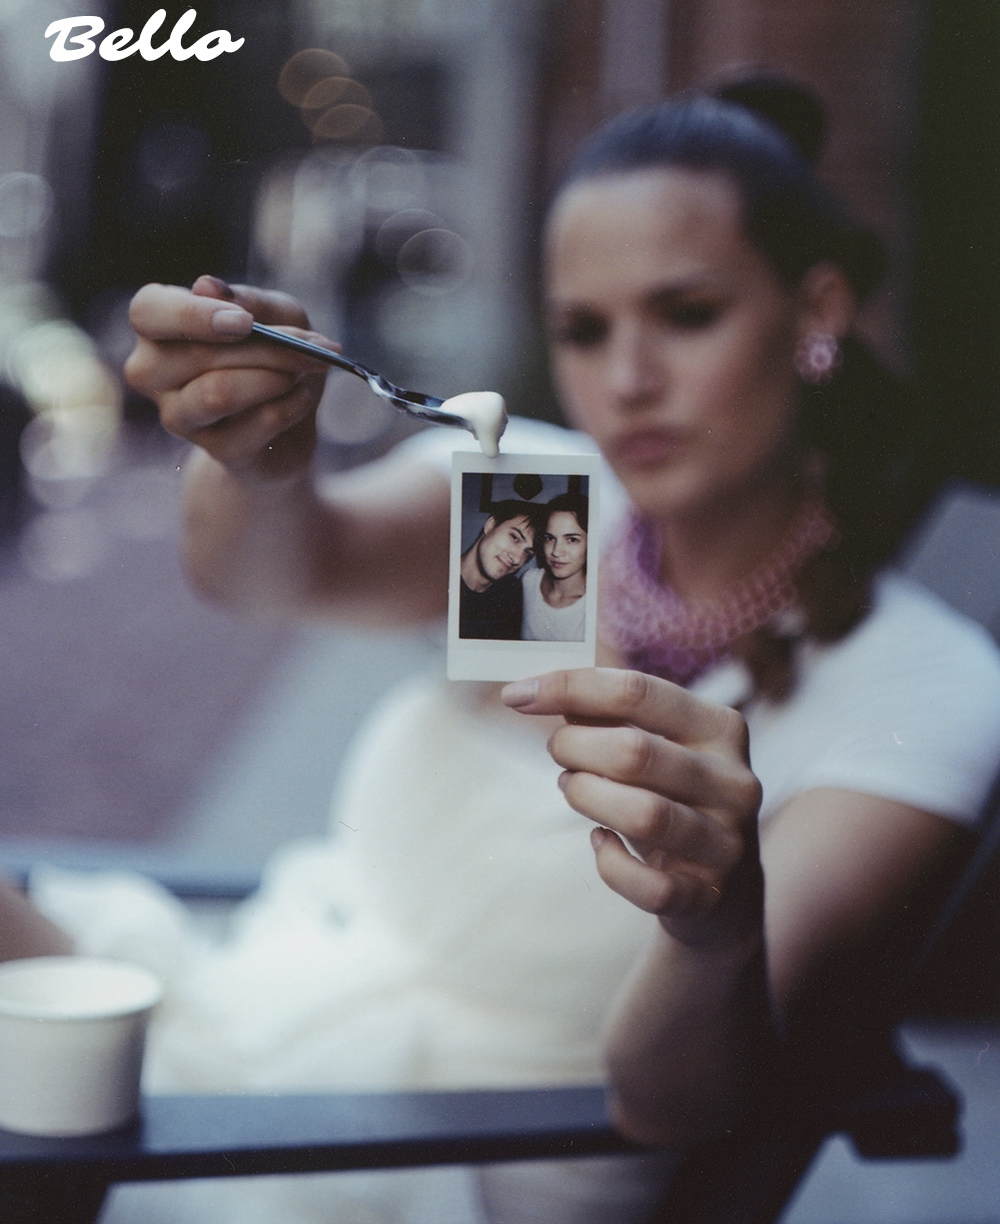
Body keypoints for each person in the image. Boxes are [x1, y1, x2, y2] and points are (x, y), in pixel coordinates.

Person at [7, 69, 1000, 1224]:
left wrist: (711, 931)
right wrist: (257, 454)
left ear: (815, 312)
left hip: (417, 1168)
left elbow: (678, 1101)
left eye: (685, 313)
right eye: (583, 328)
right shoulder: (547, 513)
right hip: (263, 1018)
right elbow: (270, 572)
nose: (625, 381)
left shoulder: (915, 688)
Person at [459, 499, 537, 639]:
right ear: (490, 525)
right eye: (515, 538)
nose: (517, 559)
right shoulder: (434, 577)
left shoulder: (510, 592)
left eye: (527, 553)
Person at [521, 493, 588, 641]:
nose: (556, 552)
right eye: (550, 538)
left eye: (572, 540)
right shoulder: (529, 580)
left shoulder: (598, 602)